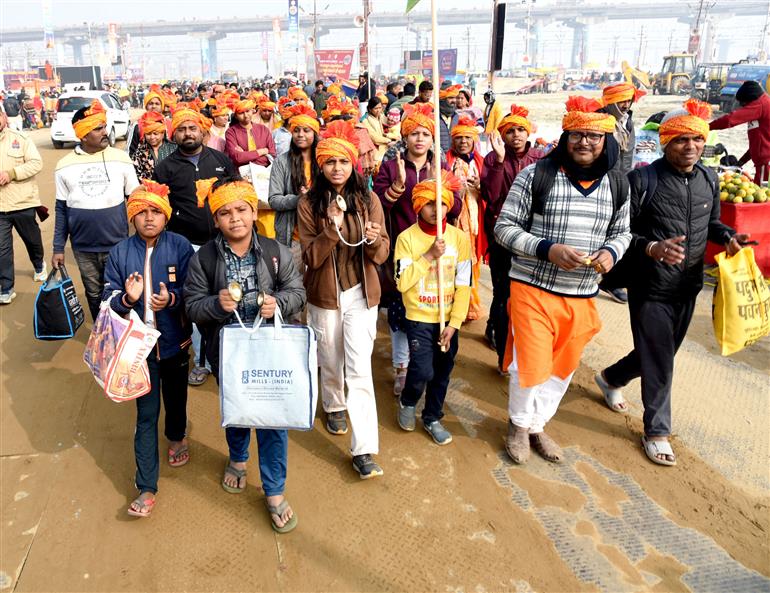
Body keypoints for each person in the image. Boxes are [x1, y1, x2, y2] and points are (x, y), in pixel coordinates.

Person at [595, 99, 748, 466]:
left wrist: (728, 236)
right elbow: (620, 233)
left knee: (660, 353)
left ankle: (611, 377)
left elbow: (710, 224)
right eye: (681, 140)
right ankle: (657, 431)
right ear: (666, 142)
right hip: (650, 286)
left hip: (688, 286)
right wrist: (652, 248)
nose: (690, 147)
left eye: (696, 139)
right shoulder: (643, 180)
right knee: (661, 359)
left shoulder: (710, 179)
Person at [494, 96, 632, 464]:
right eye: (576, 135)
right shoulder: (536, 175)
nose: (584, 142)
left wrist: (611, 253)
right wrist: (546, 249)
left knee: (562, 367)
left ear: (606, 141)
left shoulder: (618, 184)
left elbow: (623, 233)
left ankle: (538, 424)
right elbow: (504, 229)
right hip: (532, 288)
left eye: (593, 136)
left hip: (582, 294)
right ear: (564, 137)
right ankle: (518, 426)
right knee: (531, 363)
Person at [184, 177, 305, 532]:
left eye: (241, 210)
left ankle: (274, 490)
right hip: (229, 352)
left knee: (272, 419)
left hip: (270, 351)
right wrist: (215, 305)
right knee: (236, 413)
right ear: (215, 218)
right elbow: (192, 306)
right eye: (224, 213)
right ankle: (238, 458)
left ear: (254, 212)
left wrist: (278, 303)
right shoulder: (203, 259)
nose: (234, 218)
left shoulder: (275, 251)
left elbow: (297, 292)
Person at [297, 120, 390, 479]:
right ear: (321, 166)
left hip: (361, 295)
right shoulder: (309, 203)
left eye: (344, 162)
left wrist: (373, 238)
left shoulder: (370, 200)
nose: (337, 168)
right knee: (330, 358)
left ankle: (364, 448)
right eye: (330, 162)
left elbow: (381, 255)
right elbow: (311, 258)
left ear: (353, 164)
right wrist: (330, 229)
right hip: (324, 295)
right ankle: (333, 403)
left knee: (360, 369)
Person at [102, 181, 194, 518]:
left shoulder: (181, 247)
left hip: (174, 343)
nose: (149, 218)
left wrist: (172, 299)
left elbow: (193, 290)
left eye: (156, 211)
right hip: (137, 353)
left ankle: (176, 437)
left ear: (166, 215)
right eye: (142, 212)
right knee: (145, 415)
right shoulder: (120, 253)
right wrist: (128, 299)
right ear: (132, 217)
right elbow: (106, 298)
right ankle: (146, 486)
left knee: (177, 398)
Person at [374, 103, 462, 395]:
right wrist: (397, 186)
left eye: (425, 134)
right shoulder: (388, 167)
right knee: (401, 311)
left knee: (430, 305)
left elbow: (455, 208)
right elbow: (378, 207)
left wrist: (451, 188)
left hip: (438, 249)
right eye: (414, 134)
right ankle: (402, 367)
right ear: (405, 137)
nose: (420, 139)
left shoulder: (441, 168)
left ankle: (422, 361)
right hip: (404, 247)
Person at [154, 107, 237, 386]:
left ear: (203, 130)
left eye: (192, 128)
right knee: (195, 303)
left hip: (221, 243)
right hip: (184, 246)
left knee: (228, 297)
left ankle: (229, 357)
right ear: (173, 134)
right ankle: (201, 361)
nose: (188, 134)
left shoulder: (222, 160)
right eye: (181, 129)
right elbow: (159, 208)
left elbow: (235, 198)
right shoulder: (165, 168)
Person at [394, 171, 471, 445]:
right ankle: (407, 401)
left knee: (442, 372)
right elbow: (402, 282)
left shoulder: (460, 239)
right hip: (419, 318)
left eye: (440, 203)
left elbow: (464, 285)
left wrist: (455, 324)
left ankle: (432, 417)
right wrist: (428, 256)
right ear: (418, 206)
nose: (435, 210)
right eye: (429, 203)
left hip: (448, 320)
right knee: (422, 371)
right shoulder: (406, 239)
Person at [52, 101, 140, 320]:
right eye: (98, 129)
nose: (105, 132)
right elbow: (61, 210)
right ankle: (102, 333)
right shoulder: (64, 165)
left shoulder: (121, 159)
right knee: (93, 294)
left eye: (104, 126)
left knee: (121, 292)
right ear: (83, 135)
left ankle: (122, 332)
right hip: (83, 247)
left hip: (119, 244)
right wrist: (57, 248)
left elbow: (136, 200)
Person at [480, 105, 544, 372]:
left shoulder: (540, 159)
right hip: (503, 237)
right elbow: (491, 196)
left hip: (532, 238)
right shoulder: (494, 160)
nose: (516, 135)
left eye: (520, 130)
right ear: (502, 135)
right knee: (502, 293)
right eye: (510, 131)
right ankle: (502, 353)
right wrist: (497, 160)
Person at [268, 103, 320, 270]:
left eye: (306, 130)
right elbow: (274, 200)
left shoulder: (323, 160)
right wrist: (299, 199)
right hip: (293, 237)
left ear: (315, 132)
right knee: (294, 285)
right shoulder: (282, 162)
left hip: (321, 234)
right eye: (296, 130)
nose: (300, 135)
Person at [0, 111, 45, 304]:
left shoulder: (20, 138)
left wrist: (12, 173)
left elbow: (36, 163)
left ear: (4, 117)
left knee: (32, 240)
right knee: (2, 249)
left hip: (22, 202)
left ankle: (38, 265)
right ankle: (6, 288)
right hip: (0, 208)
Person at [446, 115, 486, 322]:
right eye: (459, 138)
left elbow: (489, 190)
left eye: (467, 138)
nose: (463, 142)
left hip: (474, 220)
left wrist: (480, 185)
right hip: (454, 219)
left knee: (472, 262)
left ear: (473, 141)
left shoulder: (481, 162)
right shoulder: (446, 161)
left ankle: (470, 306)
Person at [710, 80, 770, 185]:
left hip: (766, 165)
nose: (744, 107)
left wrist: (707, 126)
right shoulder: (762, 109)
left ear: (751, 100)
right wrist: (741, 162)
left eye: (744, 104)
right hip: (763, 164)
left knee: (763, 196)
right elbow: (758, 144)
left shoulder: (761, 104)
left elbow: (730, 119)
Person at [225, 99, 276, 168]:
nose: (245, 115)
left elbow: (272, 154)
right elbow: (237, 158)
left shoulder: (263, 129)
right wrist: (261, 152)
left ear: (252, 111)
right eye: (241, 113)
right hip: (242, 174)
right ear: (236, 116)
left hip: (264, 172)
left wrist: (245, 156)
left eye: (247, 111)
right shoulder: (231, 132)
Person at [132, 111, 176, 180]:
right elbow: (136, 175)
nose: (152, 137)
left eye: (155, 134)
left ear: (163, 133)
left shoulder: (174, 149)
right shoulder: (139, 152)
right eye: (148, 134)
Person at [127, 85, 167, 159]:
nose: (154, 106)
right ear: (146, 106)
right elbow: (130, 151)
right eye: (151, 103)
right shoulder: (137, 125)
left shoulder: (168, 124)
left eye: (157, 104)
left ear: (162, 106)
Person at [361, 97, 399, 163]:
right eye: (376, 108)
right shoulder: (365, 120)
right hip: (376, 151)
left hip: (387, 147)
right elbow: (374, 137)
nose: (378, 110)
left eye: (380, 108)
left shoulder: (381, 115)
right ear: (370, 109)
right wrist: (389, 141)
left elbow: (391, 125)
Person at [438, 84, 461, 153]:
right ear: (443, 99)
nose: (454, 101)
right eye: (450, 97)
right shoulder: (434, 117)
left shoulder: (457, 117)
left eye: (455, 97)